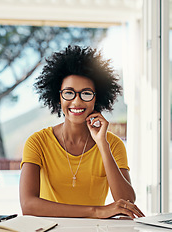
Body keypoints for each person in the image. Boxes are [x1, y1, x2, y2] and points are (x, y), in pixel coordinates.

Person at [19, 45, 144, 219]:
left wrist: (102, 144)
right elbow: (28, 205)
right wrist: (96, 211)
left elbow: (126, 202)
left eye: (86, 93)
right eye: (69, 93)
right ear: (58, 96)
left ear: (97, 98)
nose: (77, 102)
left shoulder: (112, 144)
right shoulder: (37, 142)